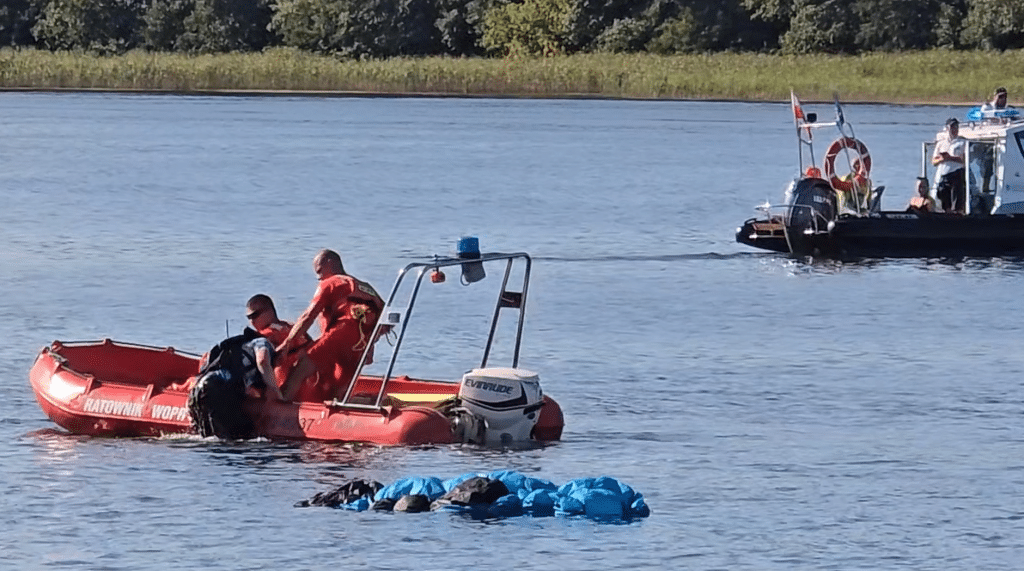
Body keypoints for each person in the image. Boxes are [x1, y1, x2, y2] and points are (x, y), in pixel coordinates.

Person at [277, 249, 386, 402]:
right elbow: (386, 320)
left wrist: (287, 343)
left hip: (338, 336)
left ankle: (280, 408)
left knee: (301, 368)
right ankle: (375, 404)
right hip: (360, 347)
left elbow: (308, 316)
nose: (318, 277)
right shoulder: (365, 287)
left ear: (330, 263)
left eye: (319, 270)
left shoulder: (331, 282)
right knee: (336, 392)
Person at [187, 327, 284, 439]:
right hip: (217, 391)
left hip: (198, 392)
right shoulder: (262, 342)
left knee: (207, 438)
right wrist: (274, 390)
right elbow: (262, 361)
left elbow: (202, 372)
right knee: (240, 436)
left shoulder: (234, 344)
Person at [245, 293, 316, 401]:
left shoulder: (267, 335)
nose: (252, 321)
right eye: (249, 317)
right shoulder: (295, 328)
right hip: (313, 381)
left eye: (255, 315)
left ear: (269, 311)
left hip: (289, 387)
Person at [932, 117, 966, 213]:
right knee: (944, 197)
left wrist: (950, 158)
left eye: (956, 127)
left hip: (956, 173)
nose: (954, 129)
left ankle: (957, 214)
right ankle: (947, 213)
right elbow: (934, 161)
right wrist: (942, 159)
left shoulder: (962, 142)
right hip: (944, 175)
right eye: (952, 127)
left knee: (956, 199)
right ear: (947, 128)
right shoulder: (941, 143)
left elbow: (964, 160)